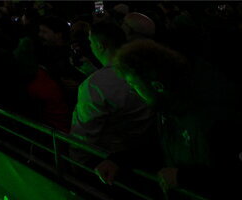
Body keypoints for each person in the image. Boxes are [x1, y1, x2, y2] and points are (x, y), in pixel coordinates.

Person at [96, 40, 242, 198]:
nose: (132, 92)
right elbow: (164, 147)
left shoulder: (213, 114)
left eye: (134, 85)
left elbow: (231, 176)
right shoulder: (167, 105)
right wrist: (120, 160)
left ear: (157, 86)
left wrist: (183, 178)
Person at [71, 22, 154, 157]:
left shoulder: (93, 85)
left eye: (91, 42)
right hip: (145, 152)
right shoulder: (142, 69)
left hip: (110, 159)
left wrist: (76, 163)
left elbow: (84, 135)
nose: (90, 46)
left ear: (100, 46)